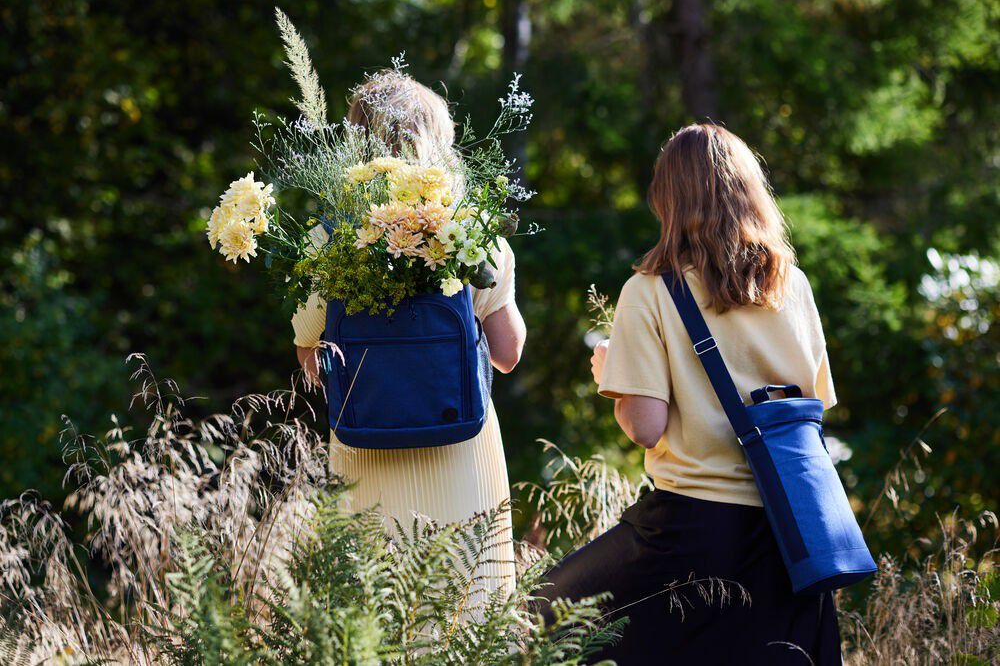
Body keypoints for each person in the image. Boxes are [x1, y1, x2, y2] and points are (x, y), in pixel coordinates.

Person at [536, 124, 842, 664]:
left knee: (542, 616)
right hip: (791, 535)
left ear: (668, 200)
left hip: (689, 531)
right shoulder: (792, 284)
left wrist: (613, 372)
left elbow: (645, 426)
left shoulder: (650, 290)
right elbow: (816, 407)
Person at [291, 70, 526, 599]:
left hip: (365, 446)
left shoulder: (330, 238)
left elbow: (312, 360)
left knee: (377, 611)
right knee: (470, 610)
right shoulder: (472, 232)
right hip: (461, 444)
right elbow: (508, 355)